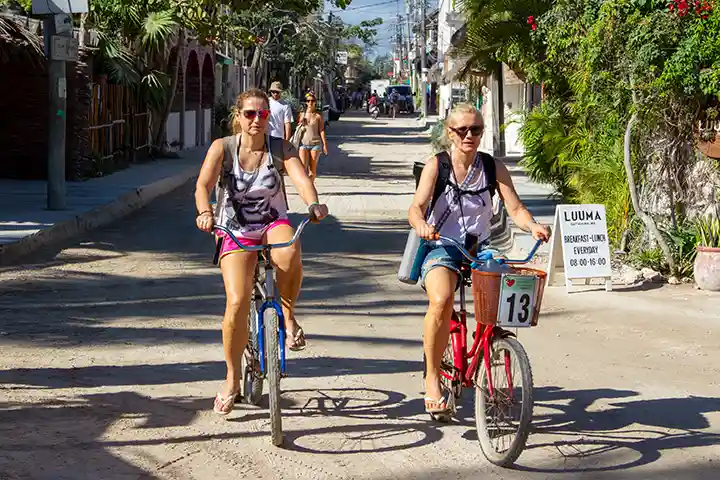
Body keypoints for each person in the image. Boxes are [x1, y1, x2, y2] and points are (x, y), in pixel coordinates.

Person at [408, 103, 550, 416]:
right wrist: (422, 225)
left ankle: (491, 345)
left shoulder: (492, 166)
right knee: (442, 300)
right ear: (450, 132)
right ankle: (433, 378)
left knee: (507, 291)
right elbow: (416, 207)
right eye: (462, 130)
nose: (469, 135)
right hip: (442, 246)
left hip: (480, 248)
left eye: (475, 129)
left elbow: (515, 208)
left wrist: (534, 226)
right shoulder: (437, 165)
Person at [194, 88, 329, 415]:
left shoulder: (280, 148)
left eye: (263, 114)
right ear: (238, 117)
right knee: (237, 302)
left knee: (289, 248)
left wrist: (313, 203)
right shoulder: (222, 148)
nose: (257, 120)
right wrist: (205, 212)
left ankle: (288, 314)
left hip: (272, 222)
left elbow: (300, 178)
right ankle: (232, 377)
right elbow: (203, 186)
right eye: (250, 114)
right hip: (233, 228)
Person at [297, 91, 328, 183]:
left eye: (312, 100)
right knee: (303, 169)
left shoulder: (318, 116)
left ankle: (310, 187)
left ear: (315, 102)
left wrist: (325, 144)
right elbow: (297, 128)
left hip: (315, 144)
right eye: (308, 101)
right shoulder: (302, 115)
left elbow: (321, 130)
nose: (310, 103)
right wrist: (300, 122)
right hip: (303, 144)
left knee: (312, 170)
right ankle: (306, 187)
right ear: (306, 102)